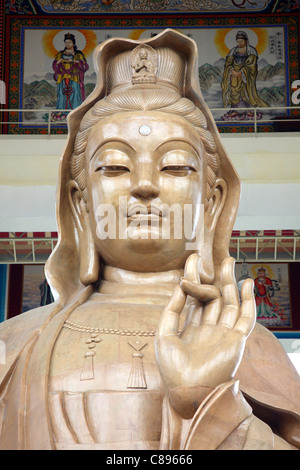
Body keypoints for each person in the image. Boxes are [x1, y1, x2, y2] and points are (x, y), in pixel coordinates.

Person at [0, 30, 299, 450]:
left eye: (175, 166)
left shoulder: (249, 346)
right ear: (81, 203)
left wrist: (216, 405)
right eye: (115, 167)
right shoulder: (12, 345)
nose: (144, 186)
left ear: (212, 203)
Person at [221, 31, 268, 121]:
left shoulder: (251, 51)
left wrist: (242, 71)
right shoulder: (233, 51)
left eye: (241, 41)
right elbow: (228, 63)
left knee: (246, 91)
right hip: (234, 76)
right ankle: (235, 110)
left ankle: (249, 110)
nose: (239, 43)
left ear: (246, 41)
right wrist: (232, 70)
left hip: (246, 76)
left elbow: (252, 65)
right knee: (234, 92)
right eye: (238, 41)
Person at [52, 33, 89, 111]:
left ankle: (75, 112)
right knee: (62, 94)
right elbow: (55, 65)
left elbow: (84, 65)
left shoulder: (78, 54)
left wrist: (74, 61)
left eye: (69, 42)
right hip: (62, 78)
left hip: (74, 77)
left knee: (75, 94)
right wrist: (59, 61)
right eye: (66, 42)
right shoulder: (60, 54)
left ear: (73, 43)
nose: (67, 44)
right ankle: (61, 111)